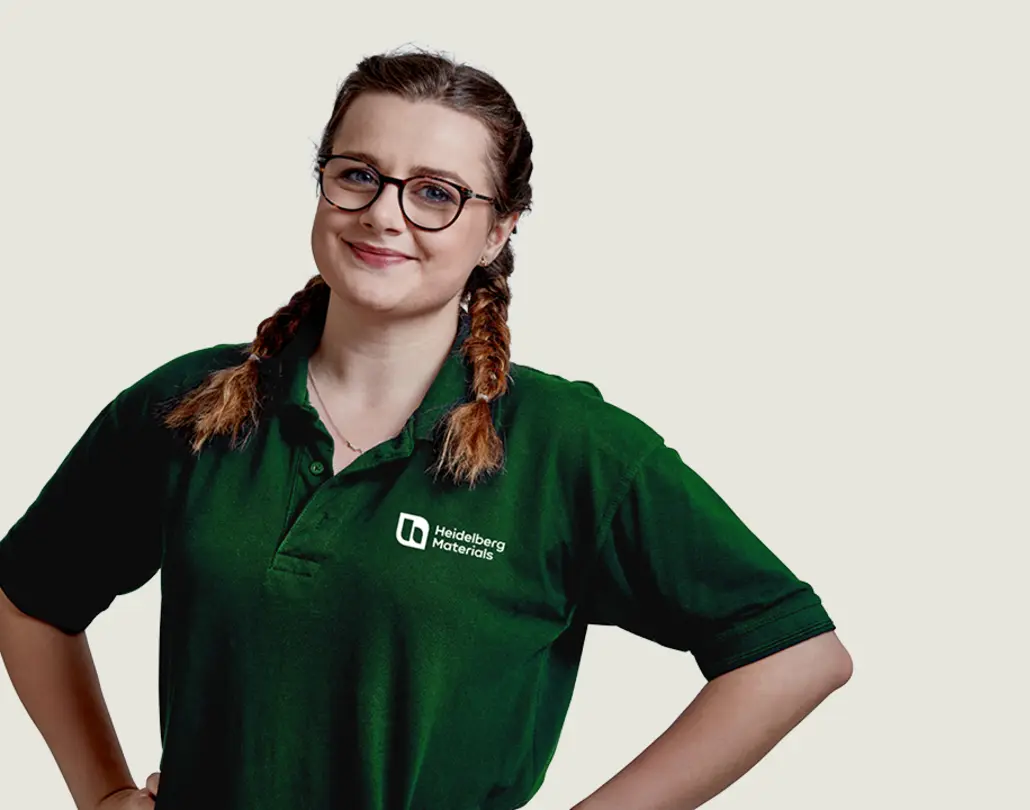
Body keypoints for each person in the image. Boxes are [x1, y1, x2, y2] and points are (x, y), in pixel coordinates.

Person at [0, 47, 852, 810]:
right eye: (358, 174)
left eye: (436, 193)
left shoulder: (569, 448)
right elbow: (30, 598)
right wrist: (104, 792)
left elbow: (793, 654)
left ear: (499, 229)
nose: (383, 214)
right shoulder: (191, 405)